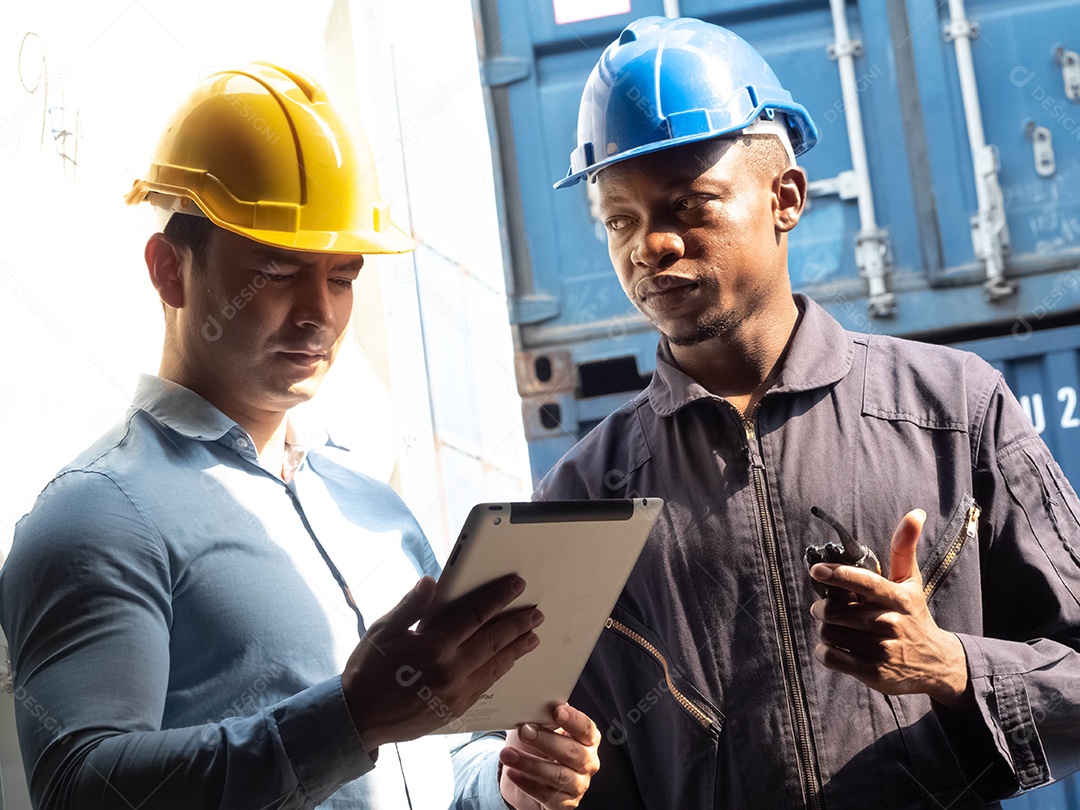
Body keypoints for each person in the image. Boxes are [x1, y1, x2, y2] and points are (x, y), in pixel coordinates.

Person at [0, 63, 599, 810]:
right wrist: (348, 720)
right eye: (278, 270)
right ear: (168, 272)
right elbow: (80, 789)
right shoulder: (98, 516)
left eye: (342, 277)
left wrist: (506, 783)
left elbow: (438, 767)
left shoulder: (372, 508)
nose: (320, 313)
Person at [537, 16, 1080, 810]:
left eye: (688, 205)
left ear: (785, 198)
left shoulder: (955, 413)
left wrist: (949, 664)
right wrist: (538, 785)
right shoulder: (581, 500)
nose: (649, 246)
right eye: (619, 220)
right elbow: (568, 765)